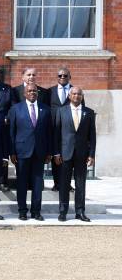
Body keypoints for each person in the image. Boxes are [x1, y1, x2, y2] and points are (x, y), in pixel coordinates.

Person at [8, 83, 52, 221]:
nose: (32, 92)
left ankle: (36, 211)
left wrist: (49, 152)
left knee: (38, 183)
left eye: (34, 90)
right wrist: (12, 152)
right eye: (29, 90)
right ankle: (22, 211)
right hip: (21, 152)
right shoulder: (16, 109)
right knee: (22, 183)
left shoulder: (45, 109)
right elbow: (12, 132)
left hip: (40, 152)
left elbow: (49, 132)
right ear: (24, 93)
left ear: (37, 93)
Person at [53, 87, 95, 222]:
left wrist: (91, 154)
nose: (77, 96)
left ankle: (80, 211)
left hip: (82, 154)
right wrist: (56, 153)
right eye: (74, 94)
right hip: (65, 154)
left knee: (80, 184)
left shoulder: (89, 113)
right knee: (64, 184)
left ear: (82, 97)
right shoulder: (61, 111)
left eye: (79, 94)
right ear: (70, 96)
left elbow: (92, 136)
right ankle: (63, 211)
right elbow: (56, 135)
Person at [49, 67, 81, 192]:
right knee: (55, 157)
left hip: (69, 129)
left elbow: (80, 108)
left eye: (65, 76)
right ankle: (57, 183)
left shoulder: (76, 92)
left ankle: (67, 184)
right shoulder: (50, 91)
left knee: (68, 158)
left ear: (70, 77)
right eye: (60, 76)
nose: (62, 78)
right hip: (53, 128)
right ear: (57, 77)